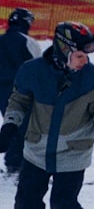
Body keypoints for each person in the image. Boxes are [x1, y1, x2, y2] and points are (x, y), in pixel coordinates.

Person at [1, 21, 94, 207]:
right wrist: (9, 126)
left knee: (64, 204)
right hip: (36, 153)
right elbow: (18, 102)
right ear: (64, 50)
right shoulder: (32, 71)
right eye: (80, 55)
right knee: (26, 203)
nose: (85, 61)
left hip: (72, 156)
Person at [1, 9, 42, 176]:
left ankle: (14, 161)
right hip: (20, 89)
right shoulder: (28, 42)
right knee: (25, 125)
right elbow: (38, 68)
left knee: (12, 123)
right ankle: (19, 163)